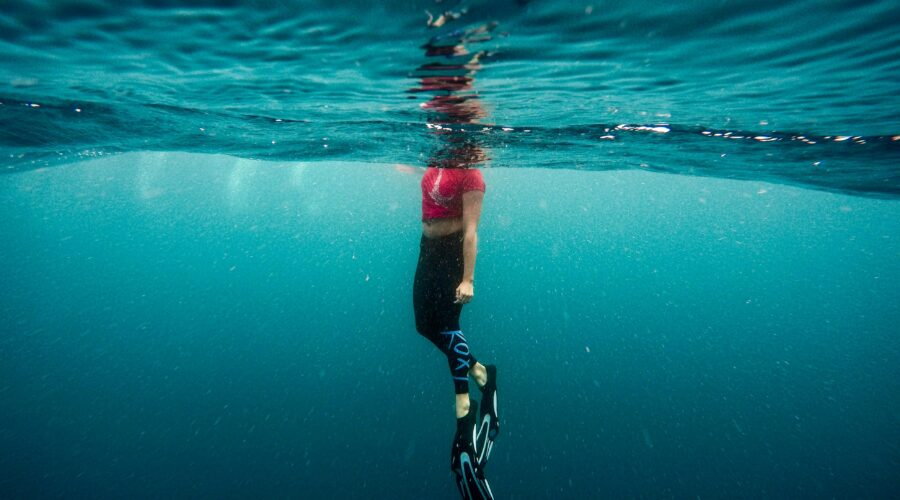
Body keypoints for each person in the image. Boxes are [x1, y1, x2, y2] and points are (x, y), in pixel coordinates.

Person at [413, 163, 499, 499]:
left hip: (452, 254)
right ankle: (481, 373)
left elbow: (471, 230)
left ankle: (464, 411)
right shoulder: (438, 154)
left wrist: (468, 279)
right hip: (427, 247)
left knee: (448, 325)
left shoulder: (472, 175)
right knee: (424, 325)